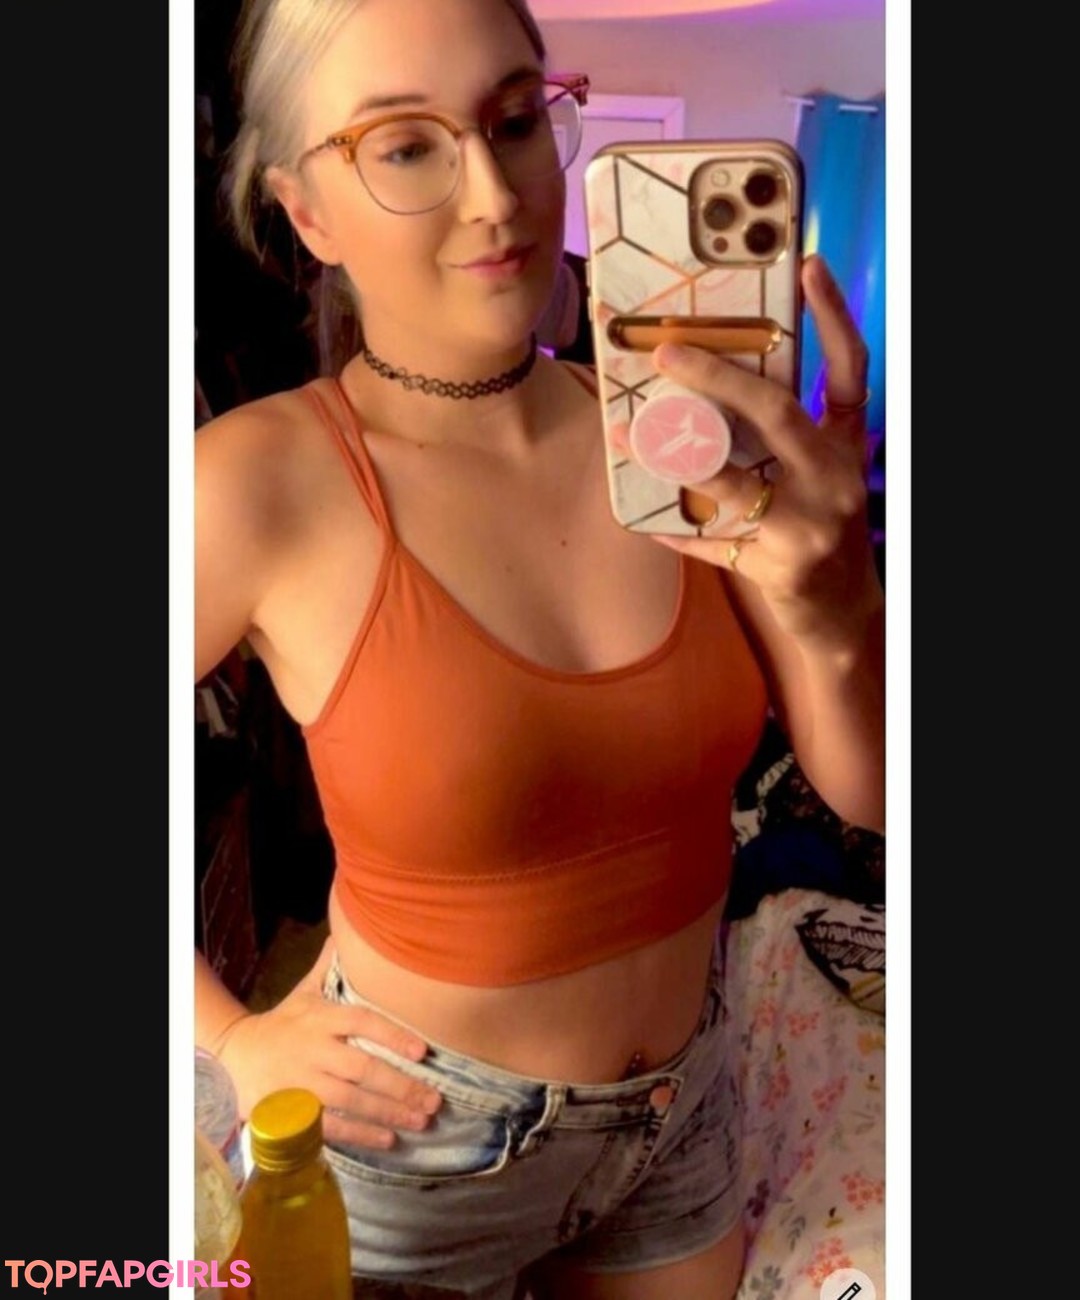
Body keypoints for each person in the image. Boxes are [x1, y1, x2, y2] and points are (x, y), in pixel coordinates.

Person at [194, 0, 885, 1295]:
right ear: (307, 211)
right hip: (417, 1152)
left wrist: (842, 598)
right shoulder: (253, 484)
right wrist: (227, 1038)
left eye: (515, 119)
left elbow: (871, 792)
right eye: (407, 146)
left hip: (679, 1125)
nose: (496, 194)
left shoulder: (680, 446)